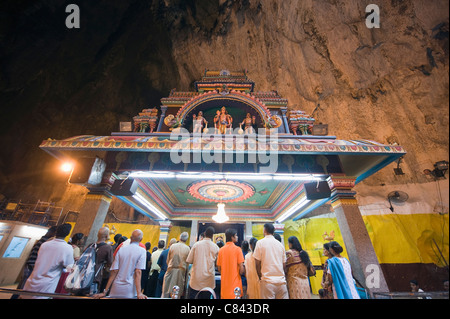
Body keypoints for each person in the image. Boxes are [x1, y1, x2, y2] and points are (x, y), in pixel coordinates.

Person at [21, 223, 74, 299]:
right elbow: (70, 267)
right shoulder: (67, 248)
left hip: (32, 281)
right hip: (46, 285)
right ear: (68, 234)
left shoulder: (45, 244)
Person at [94, 229, 147, 299]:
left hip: (116, 288)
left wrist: (105, 291)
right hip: (129, 289)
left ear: (130, 238)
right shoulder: (142, 251)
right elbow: (138, 272)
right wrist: (139, 293)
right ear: (141, 239)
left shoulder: (121, 249)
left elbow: (114, 271)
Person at [11, 225, 57, 299]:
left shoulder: (42, 240)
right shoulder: (45, 241)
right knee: (24, 286)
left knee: (23, 285)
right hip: (32, 265)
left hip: (31, 264)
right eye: (55, 233)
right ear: (52, 232)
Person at [253, 223, 288, 299]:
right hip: (281, 282)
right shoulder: (280, 245)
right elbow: (284, 264)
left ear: (264, 230)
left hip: (267, 282)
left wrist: (260, 276)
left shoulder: (260, 243)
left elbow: (257, 263)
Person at [186, 226, 219, 299]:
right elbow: (217, 264)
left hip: (196, 279)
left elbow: (189, 260)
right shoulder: (215, 247)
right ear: (212, 236)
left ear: (204, 233)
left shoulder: (196, 244)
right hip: (209, 280)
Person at [216, 228, 245, 299]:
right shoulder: (238, 249)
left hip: (224, 288)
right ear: (232, 237)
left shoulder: (221, 250)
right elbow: (241, 269)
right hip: (236, 286)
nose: (237, 237)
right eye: (236, 235)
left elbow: (219, 268)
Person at [162, 232, 191, 298]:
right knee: (177, 293)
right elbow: (187, 263)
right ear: (186, 239)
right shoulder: (187, 249)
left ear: (179, 238)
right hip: (181, 272)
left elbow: (167, 260)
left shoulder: (173, 246)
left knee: (166, 292)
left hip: (170, 270)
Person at [93, 226, 114, 295]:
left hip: (86, 274)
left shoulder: (91, 245)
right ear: (107, 236)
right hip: (98, 275)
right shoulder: (108, 248)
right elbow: (110, 263)